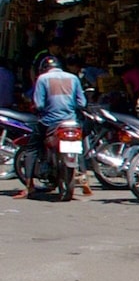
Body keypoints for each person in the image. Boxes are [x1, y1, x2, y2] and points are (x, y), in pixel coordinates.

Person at [22, 56, 90, 197]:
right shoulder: (73, 78)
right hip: (71, 122)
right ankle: (84, 177)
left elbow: (39, 104)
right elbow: (82, 103)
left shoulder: (42, 79)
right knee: (79, 145)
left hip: (50, 122)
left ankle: (29, 185)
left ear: (44, 69)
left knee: (32, 148)